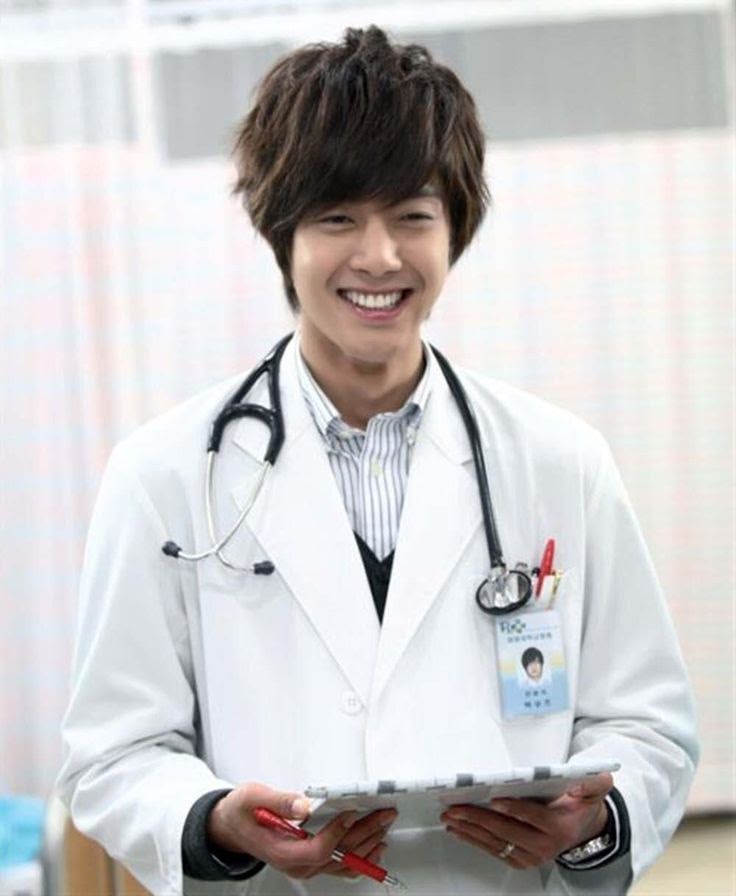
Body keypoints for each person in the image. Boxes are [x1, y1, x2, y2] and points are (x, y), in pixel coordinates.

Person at [57, 26, 698, 896]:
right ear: (282, 234)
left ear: (454, 231)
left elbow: (649, 723)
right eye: (338, 218)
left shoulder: (560, 463)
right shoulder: (164, 476)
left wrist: (595, 821)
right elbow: (113, 751)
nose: (380, 256)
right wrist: (211, 823)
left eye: (412, 216)